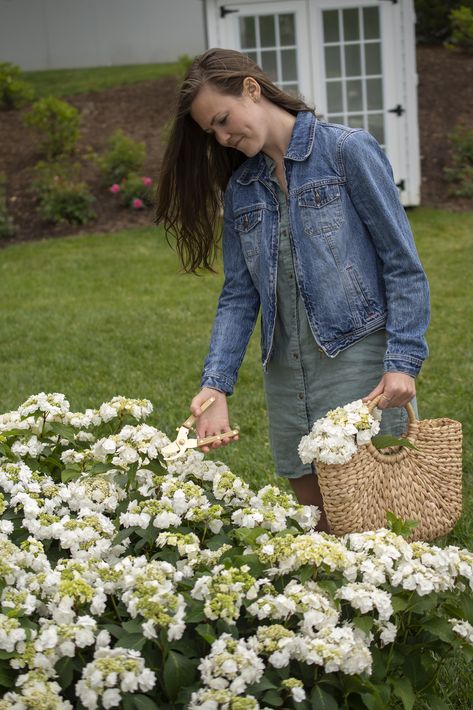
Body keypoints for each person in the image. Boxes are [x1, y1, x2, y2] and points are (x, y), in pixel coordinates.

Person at [155, 48, 430, 531]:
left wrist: (403, 361)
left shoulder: (346, 151)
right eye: (212, 132)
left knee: (379, 524)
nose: (223, 137)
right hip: (286, 373)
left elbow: (401, 264)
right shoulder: (243, 188)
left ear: (251, 88)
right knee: (318, 525)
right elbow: (240, 296)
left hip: (357, 364)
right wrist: (215, 385)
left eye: (223, 120)